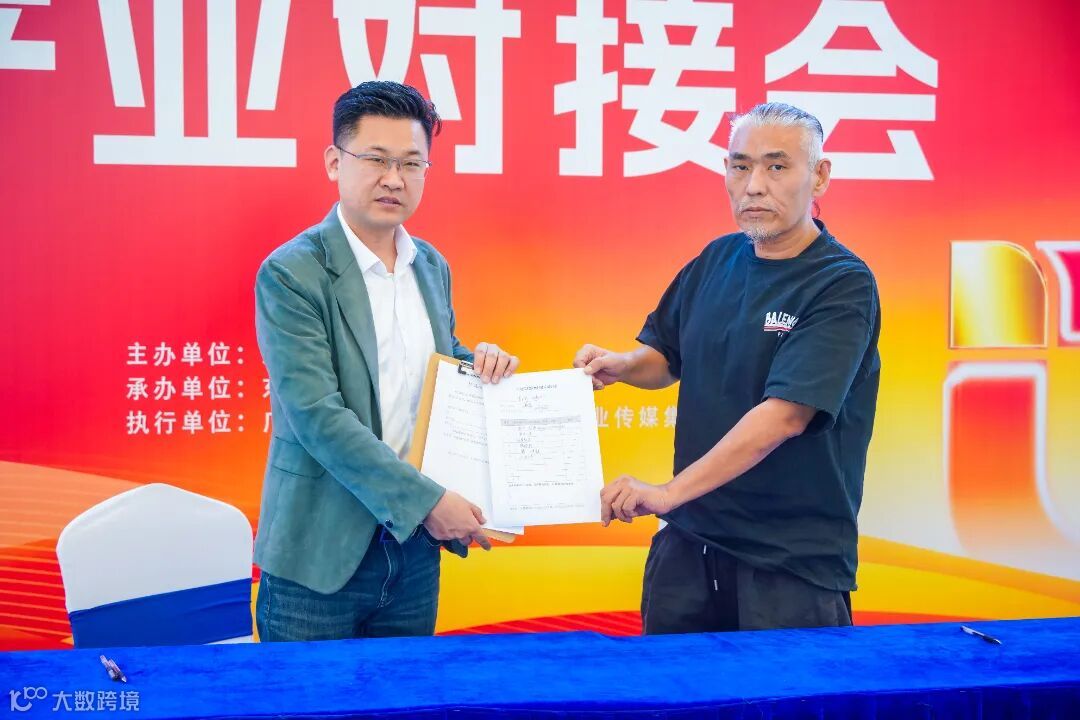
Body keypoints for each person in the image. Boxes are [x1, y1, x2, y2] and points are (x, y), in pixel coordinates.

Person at [574, 102, 880, 633]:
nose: (754, 186)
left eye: (777, 166)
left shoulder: (841, 283)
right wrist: (620, 366)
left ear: (820, 176)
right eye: (741, 166)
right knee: (671, 684)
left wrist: (666, 493)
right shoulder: (716, 259)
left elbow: (785, 416)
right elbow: (666, 357)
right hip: (689, 545)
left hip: (788, 563)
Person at [254, 81, 519, 641]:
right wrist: (428, 502)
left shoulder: (431, 266)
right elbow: (316, 416)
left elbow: (433, 365)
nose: (394, 178)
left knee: (406, 691)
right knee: (307, 693)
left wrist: (481, 366)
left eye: (411, 163)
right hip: (319, 554)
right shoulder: (292, 272)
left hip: (414, 553)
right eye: (376, 159)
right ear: (335, 162)